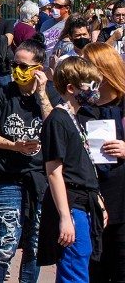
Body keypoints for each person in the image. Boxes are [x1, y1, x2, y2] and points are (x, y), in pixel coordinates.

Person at [0, 38, 54, 283]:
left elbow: (56, 127)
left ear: (38, 68)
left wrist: (42, 94)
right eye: (15, 65)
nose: (17, 71)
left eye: (23, 66)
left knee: (34, 247)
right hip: (8, 180)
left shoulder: (50, 95)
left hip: (40, 181)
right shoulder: (2, 94)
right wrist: (14, 145)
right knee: (5, 245)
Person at [37, 56, 105, 282]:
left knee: (79, 265)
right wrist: (65, 217)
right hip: (72, 205)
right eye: (90, 85)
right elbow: (54, 172)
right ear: (71, 88)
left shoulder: (74, 117)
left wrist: (98, 201)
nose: (95, 90)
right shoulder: (58, 120)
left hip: (84, 203)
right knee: (74, 271)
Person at [78, 42, 125, 283]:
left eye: (87, 66)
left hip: (121, 202)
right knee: (93, 271)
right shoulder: (83, 109)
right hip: (92, 202)